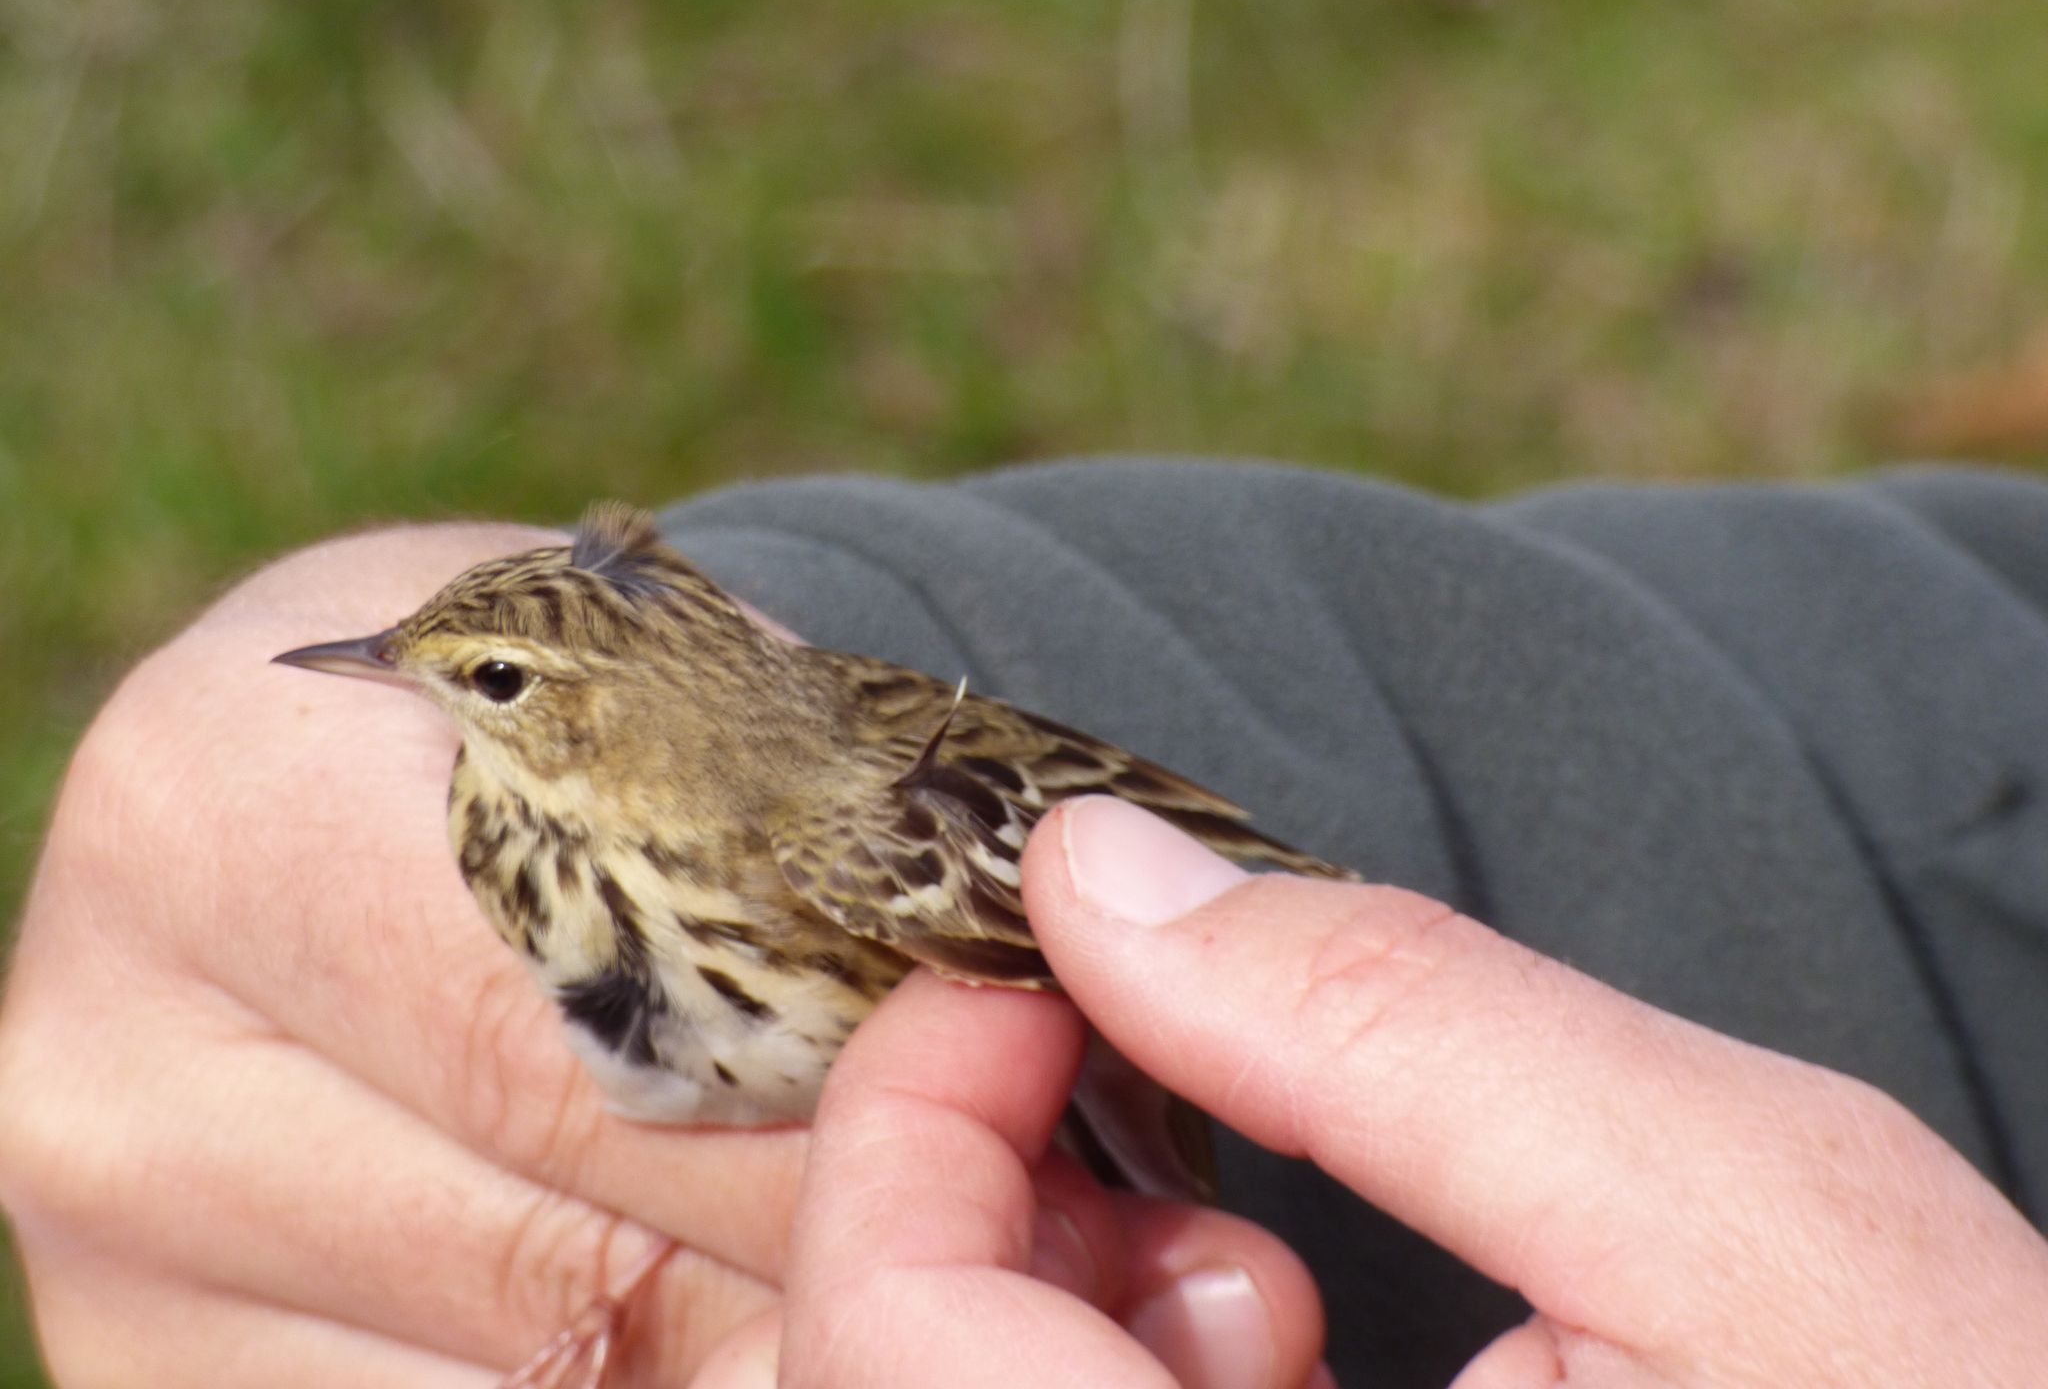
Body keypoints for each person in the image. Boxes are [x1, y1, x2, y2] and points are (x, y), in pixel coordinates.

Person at [4, 461, 2046, 1388]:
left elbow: (1108, 869)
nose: (412, 691)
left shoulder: (811, 849)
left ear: (607, 720)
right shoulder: (500, 829)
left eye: (493, 686)